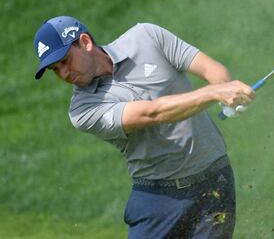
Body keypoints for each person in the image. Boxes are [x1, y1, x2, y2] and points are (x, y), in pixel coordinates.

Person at [33, 15, 255, 238]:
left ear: (85, 42)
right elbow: (153, 113)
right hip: (159, 201)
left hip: (216, 182)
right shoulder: (82, 110)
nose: (63, 74)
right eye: (54, 69)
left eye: (65, 61)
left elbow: (211, 69)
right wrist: (213, 93)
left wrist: (225, 88)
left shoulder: (146, 37)